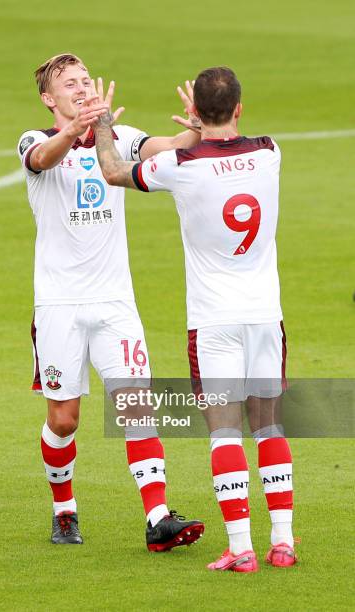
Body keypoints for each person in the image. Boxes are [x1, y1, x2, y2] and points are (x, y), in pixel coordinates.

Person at [93, 67, 296, 572]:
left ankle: (241, 548)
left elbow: (116, 172)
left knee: (224, 434)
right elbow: (230, 148)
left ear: (197, 113)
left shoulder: (180, 164)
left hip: (213, 322)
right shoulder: (270, 152)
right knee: (269, 428)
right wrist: (207, 127)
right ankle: (284, 543)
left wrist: (101, 126)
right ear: (240, 109)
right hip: (266, 316)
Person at [17, 53, 204, 549]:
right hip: (58, 305)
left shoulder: (117, 138)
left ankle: (158, 517)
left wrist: (197, 129)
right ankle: (64, 509)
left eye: (84, 80)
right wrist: (75, 130)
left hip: (115, 302)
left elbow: (168, 147)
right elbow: (44, 160)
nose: (80, 88)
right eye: (68, 84)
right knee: (65, 419)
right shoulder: (34, 141)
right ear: (48, 99)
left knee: (136, 407)